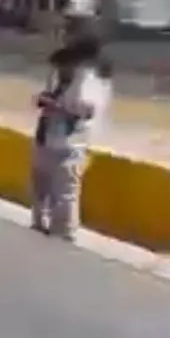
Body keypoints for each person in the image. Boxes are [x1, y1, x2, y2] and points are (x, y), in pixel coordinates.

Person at [30, 32, 112, 240]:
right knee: (41, 187)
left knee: (65, 192)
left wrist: (57, 106)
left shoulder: (89, 80)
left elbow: (86, 110)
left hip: (72, 144)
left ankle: (64, 233)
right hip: (48, 139)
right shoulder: (64, 81)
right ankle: (40, 225)